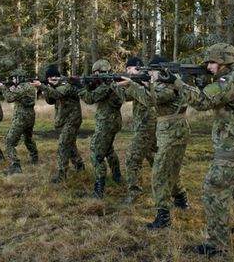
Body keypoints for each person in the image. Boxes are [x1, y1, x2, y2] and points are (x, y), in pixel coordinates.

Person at [160, 43, 234, 257]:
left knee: (213, 189)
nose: (209, 66)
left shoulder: (230, 80)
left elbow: (203, 101)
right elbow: (211, 95)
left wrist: (176, 82)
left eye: (212, 62)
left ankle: (217, 244)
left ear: (224, 62)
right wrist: (201, 81)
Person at [116, 55, 190, 229]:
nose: (151, 74)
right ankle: (180, 198)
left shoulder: (170, 84)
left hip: (173, 131)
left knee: (160, 173)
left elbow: (151, 99)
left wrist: (133, 84)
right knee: (164, 168)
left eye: (153, 71)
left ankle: (163, 216)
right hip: (167, 131)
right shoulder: (163, 83)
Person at [112, 57, 158, 204]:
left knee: (132, 158)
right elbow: (126, 96)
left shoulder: (149, 81)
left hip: (147, 126)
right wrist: (114, 84)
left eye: (129, 69)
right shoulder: (138, 83)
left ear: (138, 68)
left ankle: (135, 194)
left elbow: (149, 99)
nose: (128, 72)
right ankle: (172, 188)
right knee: (156, 158)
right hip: (145, 126)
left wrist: (132, 84)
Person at [79, 59, 124, 198]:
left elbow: (90, 98)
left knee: (96, 153)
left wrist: (81, 87)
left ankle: (99, 190)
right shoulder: (110, 83)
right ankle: (117, 176)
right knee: (108, 150)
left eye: (96, 74)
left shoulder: (107, 85)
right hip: (112, 122)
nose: (95, 76)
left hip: (107, 123)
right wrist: (90, 84)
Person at [31, 65, 85, 183]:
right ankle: (79, 166)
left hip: (72, 120)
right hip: (64, 120)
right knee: (69, 145)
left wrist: (43, 86)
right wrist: (47, 88)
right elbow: (50, 101)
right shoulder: (54, 86)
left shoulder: (66, 85)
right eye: (51, 78)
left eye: (56, 77)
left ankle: (61, 175)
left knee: (63, 145)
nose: (54, 79)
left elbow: (58, 95)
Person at [0, 69, 39, 175]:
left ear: (20, 78)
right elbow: (20, 97)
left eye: (15, 78)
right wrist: (12, 89)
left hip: (21, 118)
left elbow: (9, 98)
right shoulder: (29, 86)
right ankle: (35, 157)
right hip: (30, 117)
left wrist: (3, 88)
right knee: (28, 138)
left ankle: (16, 165)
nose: (13, 79)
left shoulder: (22, 87)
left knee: (9, 141)